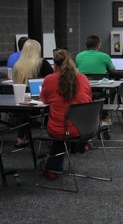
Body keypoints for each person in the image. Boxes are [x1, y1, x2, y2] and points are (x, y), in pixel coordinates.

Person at [39, 49, 92, 180]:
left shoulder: (50, 79)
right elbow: (89, 99)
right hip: (86, 128)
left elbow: (44, 99)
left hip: (60, 130)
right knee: (69, 126)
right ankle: (80, 144)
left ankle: (52, 168)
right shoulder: (83, 78)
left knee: (61, 128)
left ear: (55, 65)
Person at [11, 39, 53, 147]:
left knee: (22, 113)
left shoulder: (17, 65)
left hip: (21, 99)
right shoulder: (42, 63)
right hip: (39, 99)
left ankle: (20, 138)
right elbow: (52, 79)